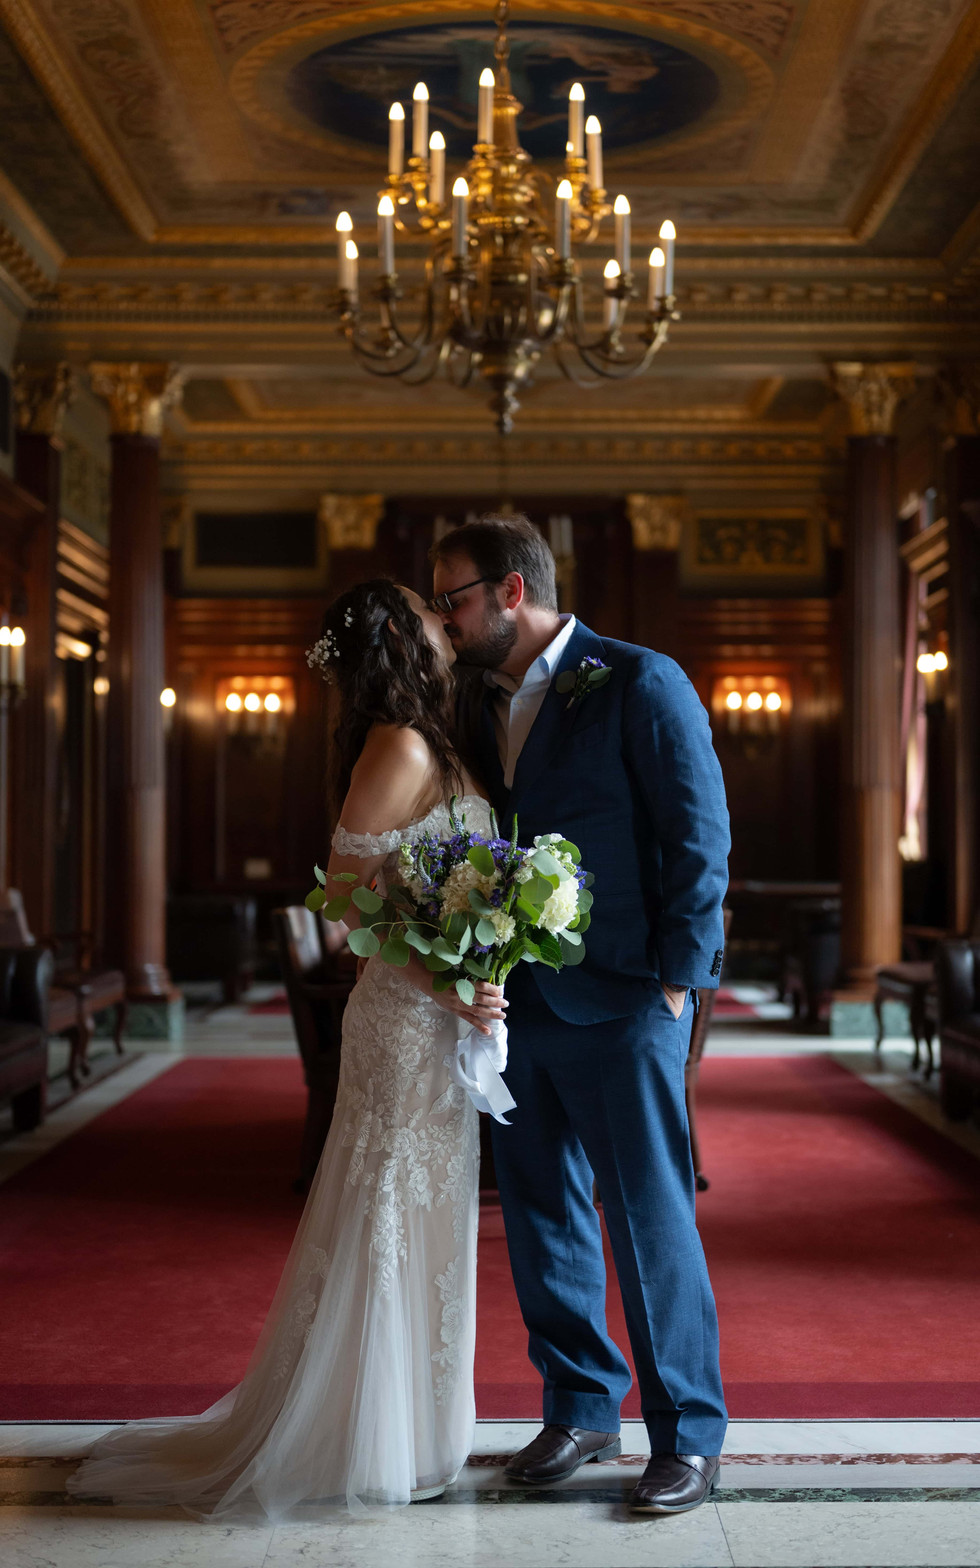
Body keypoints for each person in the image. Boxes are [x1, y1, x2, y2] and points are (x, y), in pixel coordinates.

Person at [66, 580, 504, 1518]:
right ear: (400, 636)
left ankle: (422, 1431)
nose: (442, 618)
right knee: (386, 1212)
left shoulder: (441, 740)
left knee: (431, 1212)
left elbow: (436, 891)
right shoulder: (399, 745)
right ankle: (366, 1435)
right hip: (404, 1020)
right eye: (427, 610)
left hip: (445, 1024)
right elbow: (345, 904)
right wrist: (449, 986)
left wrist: (479, 968)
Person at [431, 515, 730, 1515]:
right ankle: (580, 1404)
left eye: (454, 596)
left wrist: (676, 986)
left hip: (627, 996)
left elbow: (698, 835)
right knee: (539, 1215)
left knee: (647, 1217)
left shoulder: (640, 679)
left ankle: (685, 1433)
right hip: (520, 999)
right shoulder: (476, 701)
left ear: (510, 591)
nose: (446, 616)